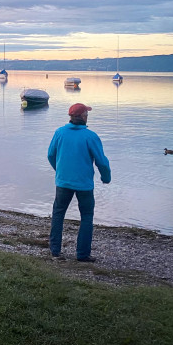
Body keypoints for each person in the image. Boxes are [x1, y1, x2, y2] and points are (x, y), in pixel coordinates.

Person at [47, 103, 111, 262]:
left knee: (58, 214)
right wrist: (106, 178)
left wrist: (59, 170)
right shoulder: (90, 136)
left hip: (63, 182)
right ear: (83, 117)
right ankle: (82, 255)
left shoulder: (60, 133)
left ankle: (55, 251)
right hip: (84, 184)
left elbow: (50, 155)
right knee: (87, 216)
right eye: (86, 114)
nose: (87, 116)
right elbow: (102, 162)